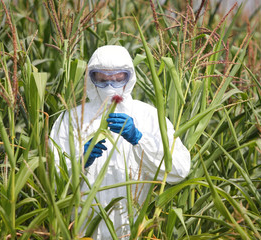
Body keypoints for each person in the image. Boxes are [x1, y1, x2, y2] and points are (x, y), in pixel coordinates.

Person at [50, 45, 191, 239]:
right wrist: (81, 161)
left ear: (129, 78)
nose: (110, 86)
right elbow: (52, 181)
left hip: (133, 230)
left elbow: (179, 170)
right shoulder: (72, 119)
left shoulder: (149, 116)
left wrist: (139, 139)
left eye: (118, 78)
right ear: (91, 78)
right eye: (101, 79)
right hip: (83, 231)